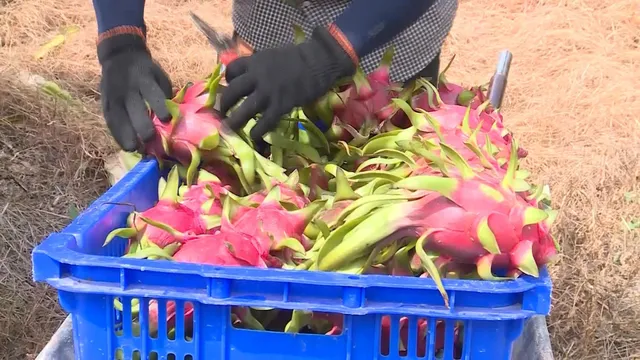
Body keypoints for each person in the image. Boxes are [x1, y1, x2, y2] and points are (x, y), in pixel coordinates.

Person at [93, 0, 458, 152]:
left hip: (384, 24)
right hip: (273, 13)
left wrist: (332, 51)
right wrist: (119, 39)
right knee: (256, 156)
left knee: (381, 160)